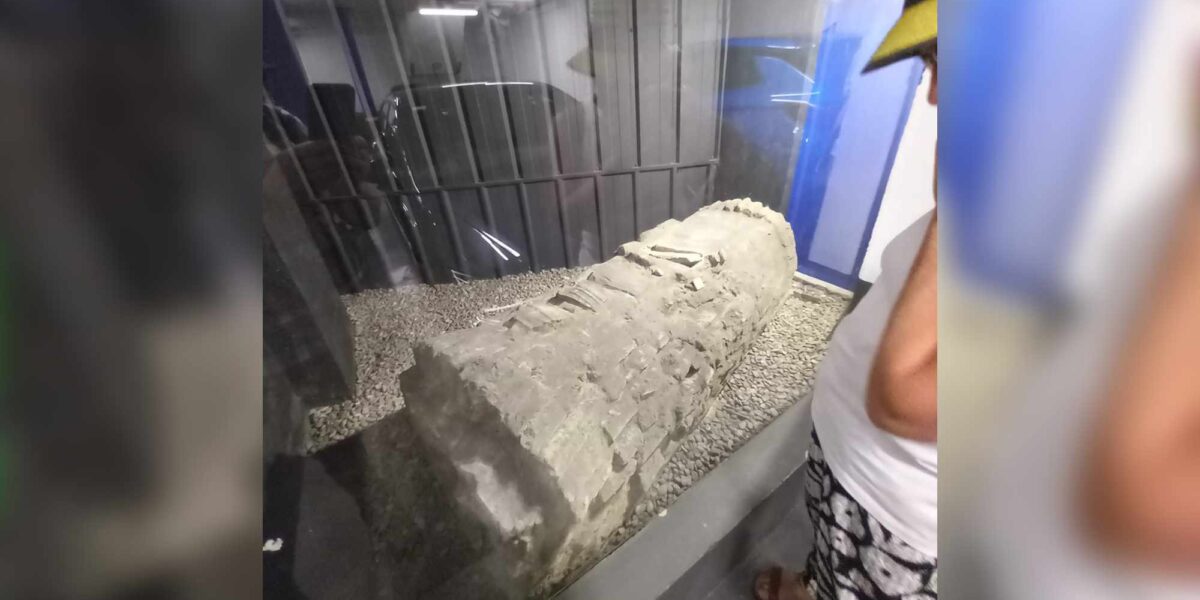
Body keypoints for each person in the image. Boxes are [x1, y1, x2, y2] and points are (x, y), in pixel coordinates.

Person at [755, 1, 939, 598]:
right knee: (831, 568)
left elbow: (904, 395)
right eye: (929, 68)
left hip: (904, 527)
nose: (933, 97)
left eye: (946, 68)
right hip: (854, 478)